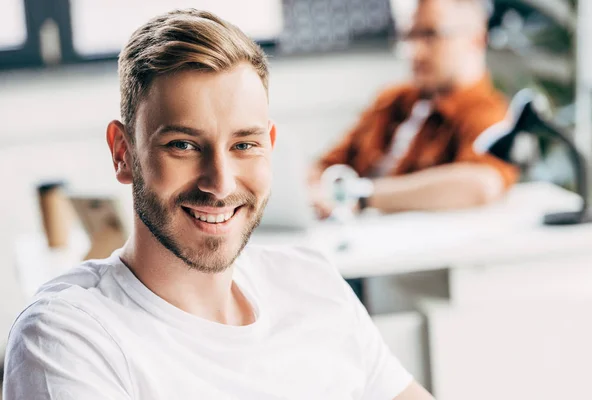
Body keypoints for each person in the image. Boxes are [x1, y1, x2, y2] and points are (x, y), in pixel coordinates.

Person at [2, 9, 434, 400]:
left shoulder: (312, 283)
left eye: (244, 144)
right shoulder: (68, 338)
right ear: (123, 153)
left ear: (270, 146)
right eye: (184, 145)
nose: (220, 182)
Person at [310, 0, 519, 219]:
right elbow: (326, 166)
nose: (414, 52)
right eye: (408, 36)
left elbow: (482, 184)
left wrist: (361, 196)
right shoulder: (392, 99)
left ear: (476, 39)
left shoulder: (486, 112)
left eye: (430, 35)